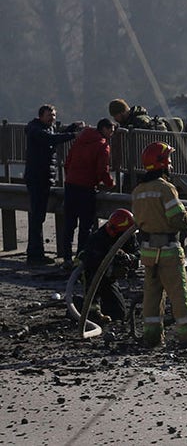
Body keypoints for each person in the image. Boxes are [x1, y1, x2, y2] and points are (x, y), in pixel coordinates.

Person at [132, 141, 187, 347]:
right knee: (180, 294)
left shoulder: (138, 190)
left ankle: (152, 337)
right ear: (162, 164)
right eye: (169, 161)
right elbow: (177, 219)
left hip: (148, 253)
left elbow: (138, 220)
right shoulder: (166, 189)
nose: (171, 165)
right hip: (169, 253)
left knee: (152, 297)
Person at [24, 105, 81, 266]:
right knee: (37, 217)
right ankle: (34, 255)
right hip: (37, 179)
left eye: (54, 115)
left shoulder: (46, 129)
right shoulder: (36, 130)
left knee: (38, 217)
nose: (52, 118)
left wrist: (71, 128)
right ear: (40, 116)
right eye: (49, 115)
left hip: (43, 179)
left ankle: (36, 253)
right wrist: (74, 134)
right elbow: (51, 139)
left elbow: (55, 136)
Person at [59, 118, 117, 264]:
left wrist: (70, 177)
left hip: (71, 185)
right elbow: (102, 170)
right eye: (111, 130)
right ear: (104, 129)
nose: (112, 133)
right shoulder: (102, 145)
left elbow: (67, 162)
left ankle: (66, 257)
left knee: (69, 224)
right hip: (86, 187)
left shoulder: (80, 140)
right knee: (85, 226)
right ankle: (80, 257)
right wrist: (110, 184)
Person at [78, 208, 139, 324]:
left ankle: (102, 309)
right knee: (92, 306)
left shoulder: (129, 234)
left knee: (118, 315)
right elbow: (90, 262)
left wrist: (128, 257)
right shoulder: (98, 238)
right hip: (95, 277)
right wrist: (111, 262)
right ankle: (86, 310)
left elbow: (137, 253)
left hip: (110, 280)